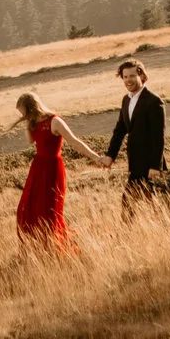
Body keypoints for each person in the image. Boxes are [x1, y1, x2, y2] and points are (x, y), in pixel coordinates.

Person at [14, 91, 103, 249]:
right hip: (37, 167)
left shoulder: (54, 121)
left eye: (23, 112)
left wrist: (95, 157)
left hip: (52, 168)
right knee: (27, 208)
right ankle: (38, 246)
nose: (23, 116)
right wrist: (27, 123)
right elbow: (30, 141)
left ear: (31, 107)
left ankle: (53, 246)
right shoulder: (33, 123)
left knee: (48, 209)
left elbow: (74, 142)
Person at [105, 59, 166, 206]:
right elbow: (120, 130)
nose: (128, 80)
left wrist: (155, 166)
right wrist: (110, 156)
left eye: (132, 76)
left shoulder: (154, 101)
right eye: (125, 77)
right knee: (138, 204)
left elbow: (158, 137)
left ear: (142, 76)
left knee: (136, 204)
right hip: (135, 163)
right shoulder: (126, 100)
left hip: (150, 167)